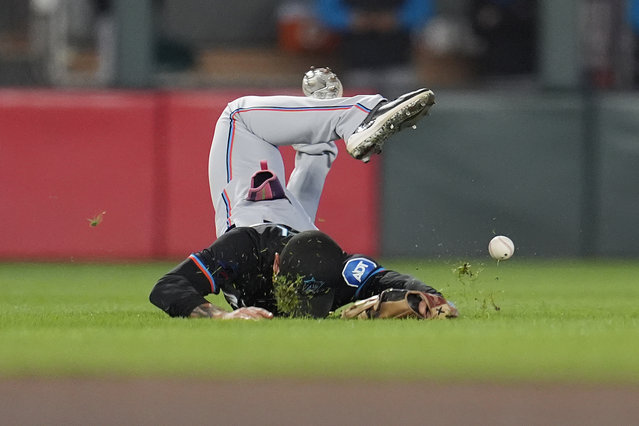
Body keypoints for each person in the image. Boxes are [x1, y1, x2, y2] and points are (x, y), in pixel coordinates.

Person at [149, 80, 455, 320]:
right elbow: (166, 287)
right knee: (237, 116)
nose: (302, 305)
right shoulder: (244, 249)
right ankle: (357, 113)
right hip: (261, 215)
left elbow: (407, 285)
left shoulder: (339, 269)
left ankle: (321, 130)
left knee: (241, 116)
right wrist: (220, 316)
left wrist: (431, 302)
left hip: (295, 225)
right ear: (277, 266)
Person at [314, 0, 435, 97]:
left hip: (399, 62)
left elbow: (423, 10)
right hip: (357, 63)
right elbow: (327, 12)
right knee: (361, 113)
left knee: (401, 111)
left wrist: (397, 19)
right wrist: (352, 20)